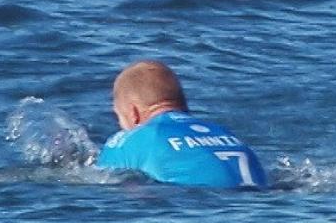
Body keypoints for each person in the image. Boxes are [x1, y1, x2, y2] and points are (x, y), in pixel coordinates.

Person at [96, 60, 269, 188]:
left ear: (133, 113)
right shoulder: (224, 133)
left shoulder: (133, 139)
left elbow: (101, 179)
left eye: (118, 115)